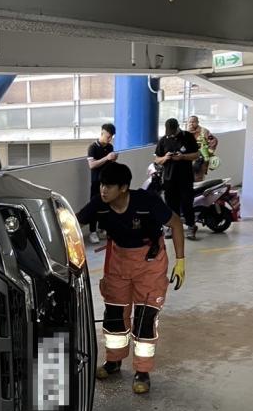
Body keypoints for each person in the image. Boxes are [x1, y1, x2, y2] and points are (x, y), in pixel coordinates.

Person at [76, 162, 186, 394]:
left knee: (145, 319)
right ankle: (114, 361)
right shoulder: (99, 205)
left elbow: (175, 224)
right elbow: (73, 223)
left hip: (150, 263)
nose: (103, 190)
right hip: (118, 261)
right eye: (102, 185)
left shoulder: (147, 201)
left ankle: (143, 371)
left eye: (109, 186)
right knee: (115, 315)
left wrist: (181, 260)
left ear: (124, 187)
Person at [154, 118, 201, 240]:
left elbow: (196, 154)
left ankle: (191, 226)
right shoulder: (164, 140)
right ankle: (172, 227)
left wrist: (183, 157)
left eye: (173, 131)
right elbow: (157, 159)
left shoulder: (187, 137)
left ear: (177, 127)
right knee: (170, 204)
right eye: (169, 132)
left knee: (187, 203)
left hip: (185, 178)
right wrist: (165, 157)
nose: (171, 134)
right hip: (169, 179)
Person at [86, 123, 118, 244]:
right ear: (102, 133)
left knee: (106, 205)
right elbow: (92, 165)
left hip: (107, 181)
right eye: (108, 136)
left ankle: (102, 228)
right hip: (96, 182)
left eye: (111, 137)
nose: (109, 139)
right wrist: (106, 158)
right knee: (94, 206)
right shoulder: (93, 147)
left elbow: (109, 163)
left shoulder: (110, 147)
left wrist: (113, 158)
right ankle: (92, 231)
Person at [186, 115, 219, 182]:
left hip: (200, 160)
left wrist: (209, 153)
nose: (191, 124)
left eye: (193, 122)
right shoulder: (185, 132)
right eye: (190, 122)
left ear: (198, 122)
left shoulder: (204, 131)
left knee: (198, 179)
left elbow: (213, 141)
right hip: (188, 160)